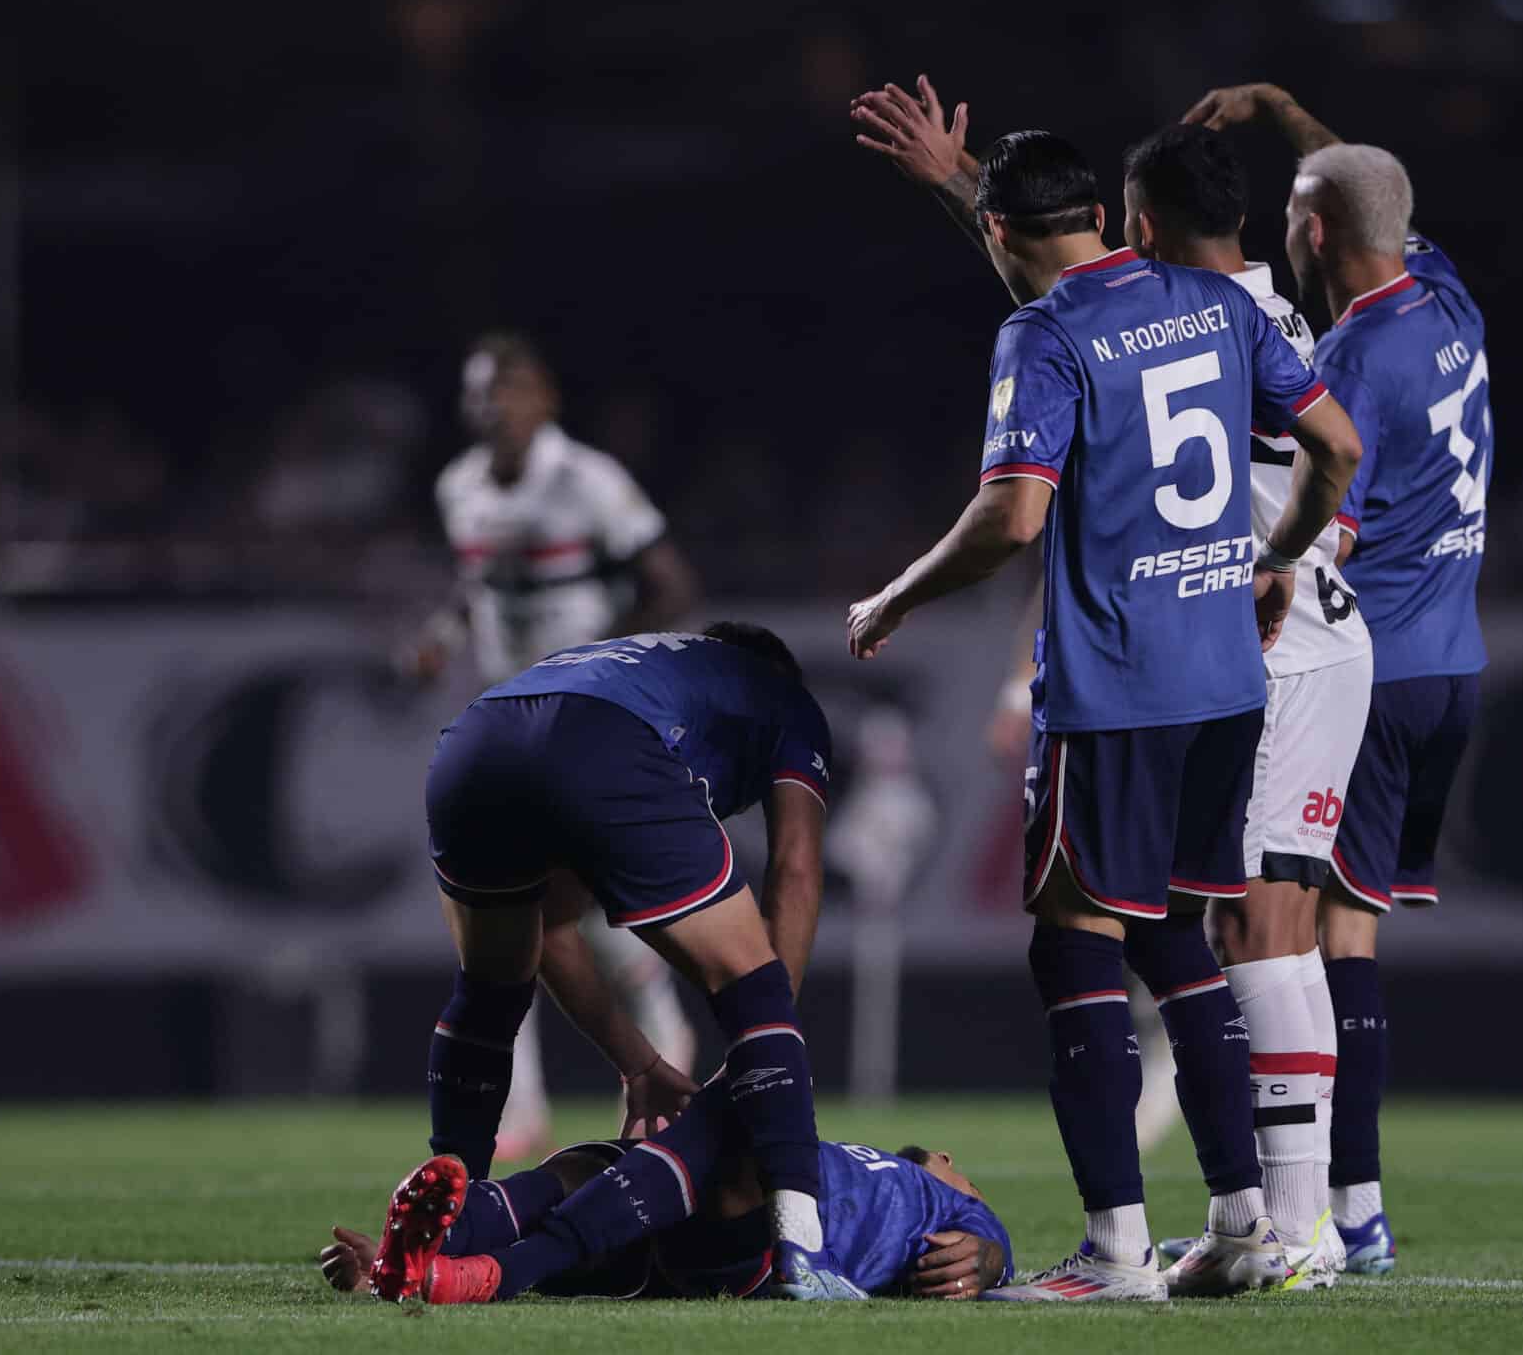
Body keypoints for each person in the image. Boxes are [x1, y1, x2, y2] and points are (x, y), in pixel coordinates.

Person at [854, 78, 1371, 1285]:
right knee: (1178, 943)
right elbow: (1335, 445)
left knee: (1074, 953)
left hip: (1116, 690)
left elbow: (1012, 515)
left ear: (1001, 232)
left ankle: (1117, 1247)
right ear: (1105, 211)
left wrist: (895, 596)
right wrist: (1277, 554)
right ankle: (1244, 1217)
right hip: (1224, 686)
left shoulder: (1036, 336)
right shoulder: (1213, 299)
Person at [1182, 82, 1497, 1274]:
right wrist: (1284, 113)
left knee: (1311, 944)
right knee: (1343, 936)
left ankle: (1340, 1213)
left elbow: (1333, 523)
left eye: (1294, 221)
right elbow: (1372, 185)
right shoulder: (1447, 300)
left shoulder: (1352, 356)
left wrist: (1253, 574)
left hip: (1374, 665)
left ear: (1310, 233)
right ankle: (1340, 1211)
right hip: (1455, 664)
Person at [418, 622, 863, 1299]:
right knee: (754, 984)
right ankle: (802, 1248)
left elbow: (556, 932)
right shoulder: (781, 697)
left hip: (476, 740)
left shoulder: (643, 668)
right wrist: (765, 1046)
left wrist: (639, 1063)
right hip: (602, 741)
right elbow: (797, 868)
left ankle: (446, 1219)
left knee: (490, 991)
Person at [412, 332, 701, 1163]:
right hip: (508, 727)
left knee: (569, 911)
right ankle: (529, 1107)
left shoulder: (588, 482)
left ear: (546, 399)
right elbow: (479, 590)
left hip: (589, 723)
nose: (489, 407)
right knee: (513, 917)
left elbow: (672, 584)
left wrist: (602, 668)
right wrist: (439, 634)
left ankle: (660, 1053)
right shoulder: (457, 487)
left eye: (506, 390)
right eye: (477, 393)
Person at [322, 1077, 1011, 1304]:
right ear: (937, 1156)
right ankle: (406, 1265)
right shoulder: (899, 1169)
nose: (973, 1189)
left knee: (753, 1087)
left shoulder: (951, 1210)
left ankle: (481, 1265)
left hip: (757, 1231)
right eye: (969, 1178)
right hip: (672, 1199)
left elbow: (996, 1252)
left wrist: (986, 1259)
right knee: (584, 1178)